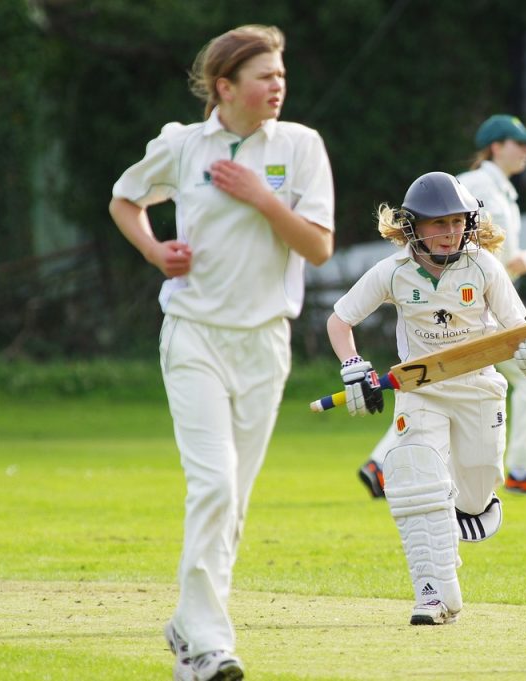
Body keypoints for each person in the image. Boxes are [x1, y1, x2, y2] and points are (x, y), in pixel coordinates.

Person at [108, 25, 334, 681]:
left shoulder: (300, 147)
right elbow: (126, 198)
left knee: (232, 501)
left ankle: (188, 626)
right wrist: (156, 250)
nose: (278, 86)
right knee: (213, 484)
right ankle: (208, 644)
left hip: (265, 342)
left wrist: (262, 197)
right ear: (224, 86)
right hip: (195, 336)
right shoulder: (182, 145)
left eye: (282, 76)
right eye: (264, 76)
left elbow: (318, 247)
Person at [327, 171, 526, 625]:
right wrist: (353, 366)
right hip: (420, 392)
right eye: (437, 223)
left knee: (472, 499)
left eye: (457, 222)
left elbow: (520, 330)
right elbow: (340, 320)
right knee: (416, 479)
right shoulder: (393, 272)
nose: (449, 233)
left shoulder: (483, 266)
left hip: (478, 391)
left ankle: (453, 524)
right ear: (412, 225)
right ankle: (433, 594)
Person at [357, 114, 526, 499]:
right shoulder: (474, 184)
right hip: (463, 309)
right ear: (495, 146)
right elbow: (444, 236)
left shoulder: (506, 193)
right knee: (437, 377)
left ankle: (381, 463)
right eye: (518, 142)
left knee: (435, 378)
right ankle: (519, 470)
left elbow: (492, 252)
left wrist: (519, 262)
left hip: (490, 305)